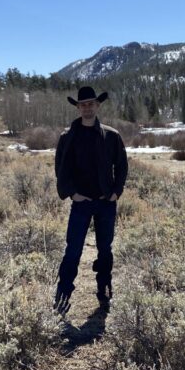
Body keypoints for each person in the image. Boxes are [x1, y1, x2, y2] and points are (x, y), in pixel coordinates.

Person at [53, 85, 128, 313]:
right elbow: (61, 169)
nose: (87, 107)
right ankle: (62, 297)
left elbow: (122, 166)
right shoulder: (68, 137)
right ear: (78, 108)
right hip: (81, 203)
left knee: (105, 248)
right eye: (83, 104)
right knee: (73, 250)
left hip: (106, 202)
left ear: (97, 105)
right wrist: (72, 193)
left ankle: (104, 290)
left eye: (91, 103)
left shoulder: (111, 136)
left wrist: (116, 191)